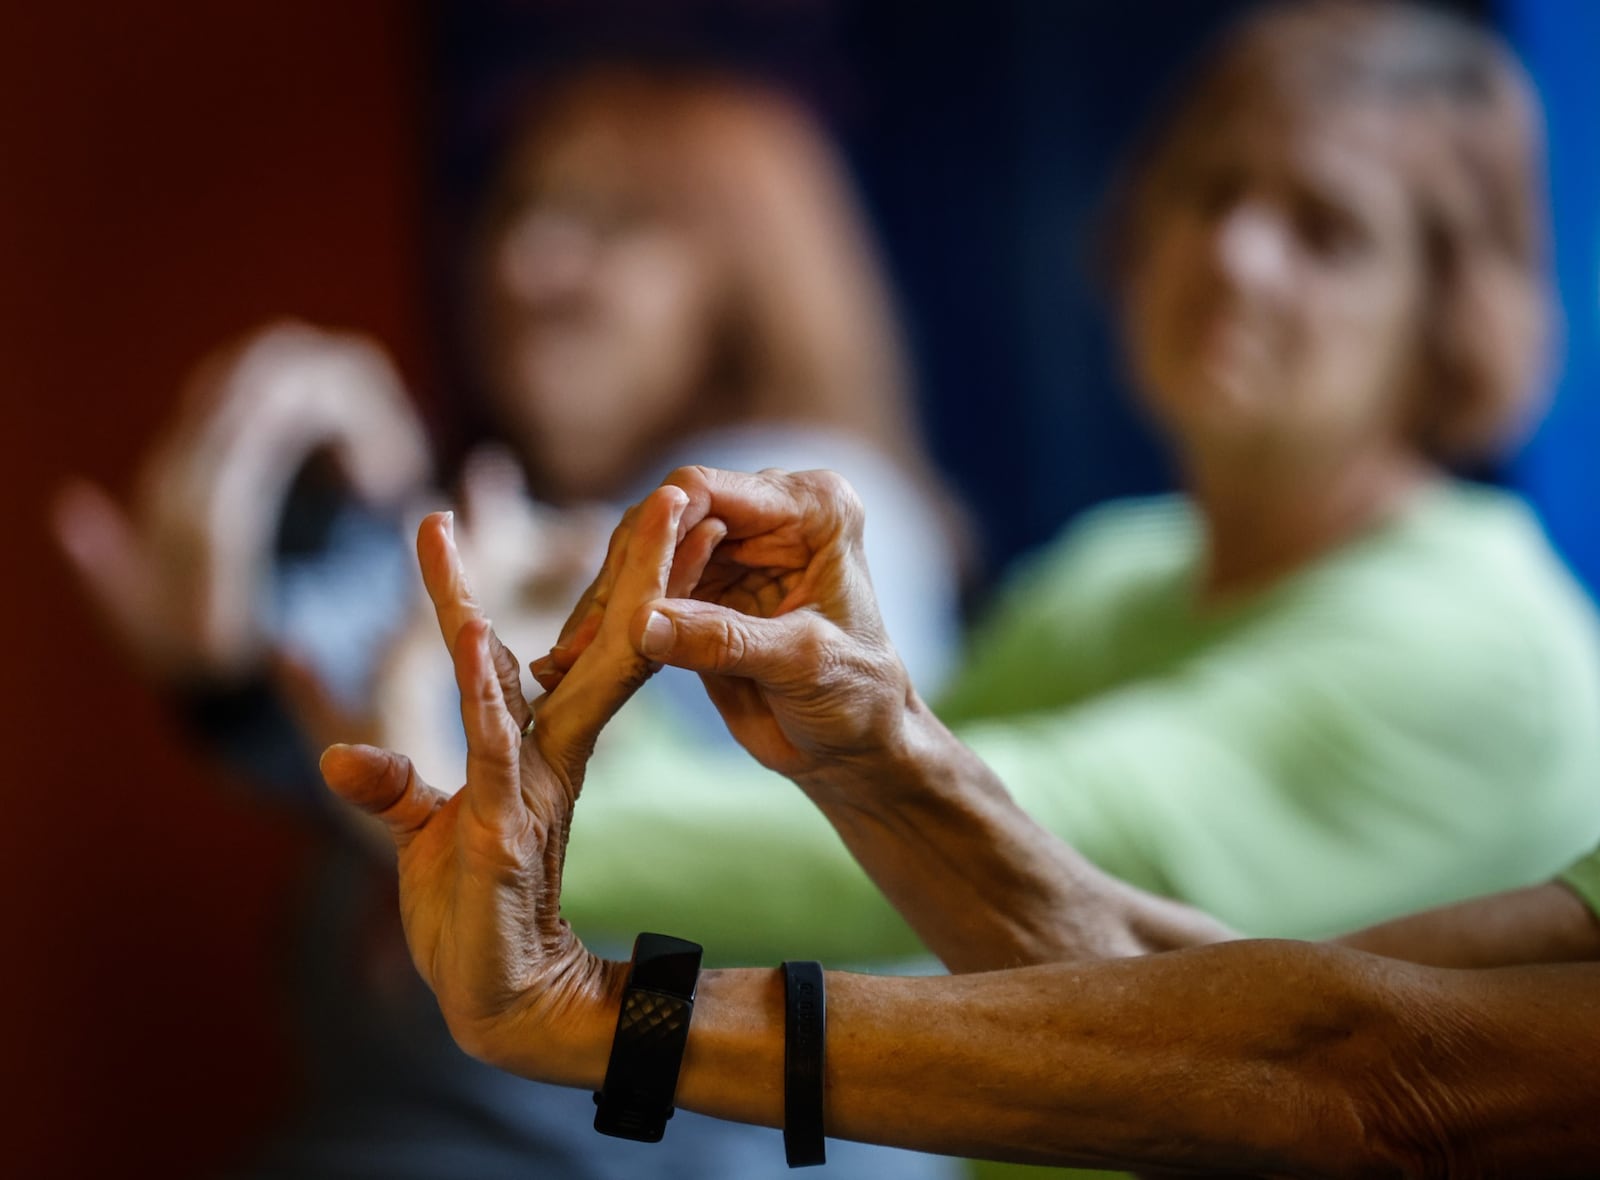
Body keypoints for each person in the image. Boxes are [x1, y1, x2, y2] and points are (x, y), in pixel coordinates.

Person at [52, 64, 963, 1180]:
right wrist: (232, 681)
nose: (524, 261)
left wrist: (477, 828)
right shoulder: (531, 518)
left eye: (610, 222)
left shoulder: (800, 505)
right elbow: (387, 760)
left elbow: (769, 928)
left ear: (746, 274)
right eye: (518, 209)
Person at [321, 466, 1600, 1176]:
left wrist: (596, 1015)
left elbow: (1380, 1083)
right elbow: (1172, 1004)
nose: (1234, 254)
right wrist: (877, 748)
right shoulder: (1114, 561)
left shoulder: (1475, 636)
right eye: (1200, 195)